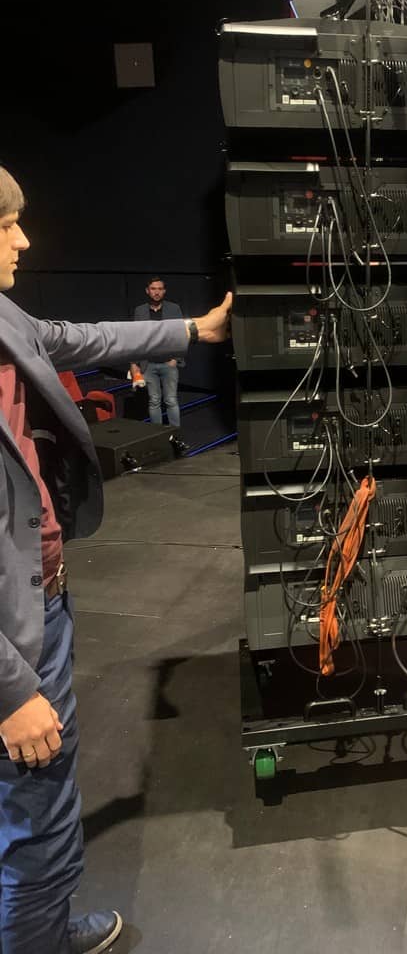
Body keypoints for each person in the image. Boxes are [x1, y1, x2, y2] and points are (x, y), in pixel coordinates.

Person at [0, 166, 232, 954]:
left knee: (31, 809)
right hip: (13, 646)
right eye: (6, 225)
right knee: (38, 817)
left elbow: (80, 338)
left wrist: (195, 330)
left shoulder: (4, 316)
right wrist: (9, 690)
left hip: (40, 599)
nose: (24, 240)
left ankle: (42, 927)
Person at [130, 277, 188, 453]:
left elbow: (181, 334)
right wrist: (134, 364)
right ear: (147, 291)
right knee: (154, 401)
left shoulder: (173, 308)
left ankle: (176, 438)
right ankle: (158, 438)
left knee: (171, 400)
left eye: (160, 289)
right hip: (148, 364)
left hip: (168, 363)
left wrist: (176, 359)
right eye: (153, 288)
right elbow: (135, 338)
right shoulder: (140, 311)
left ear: (164, 291)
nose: (156, 292)